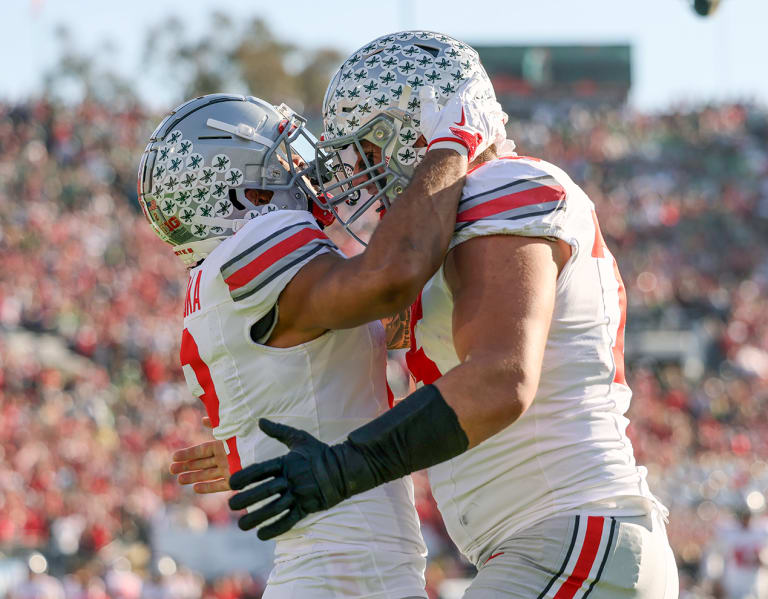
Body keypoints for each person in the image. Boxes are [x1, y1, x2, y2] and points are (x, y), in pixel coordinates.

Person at [228, 31, 680, 598]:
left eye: (369, 147)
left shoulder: (502, 184)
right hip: (556, 546)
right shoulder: (466, 222)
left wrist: (349, 467)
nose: (361, 170)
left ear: (422, 128)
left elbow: (501, 377)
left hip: (574, 537)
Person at [139, 89, 502, 598]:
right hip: (348, 574)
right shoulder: (254, 248)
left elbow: (352, 347)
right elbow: (390, 281)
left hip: (335, 569)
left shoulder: (220, 280)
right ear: (249, 194)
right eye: (281, 160)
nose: (305, 168)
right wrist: (451, 145)